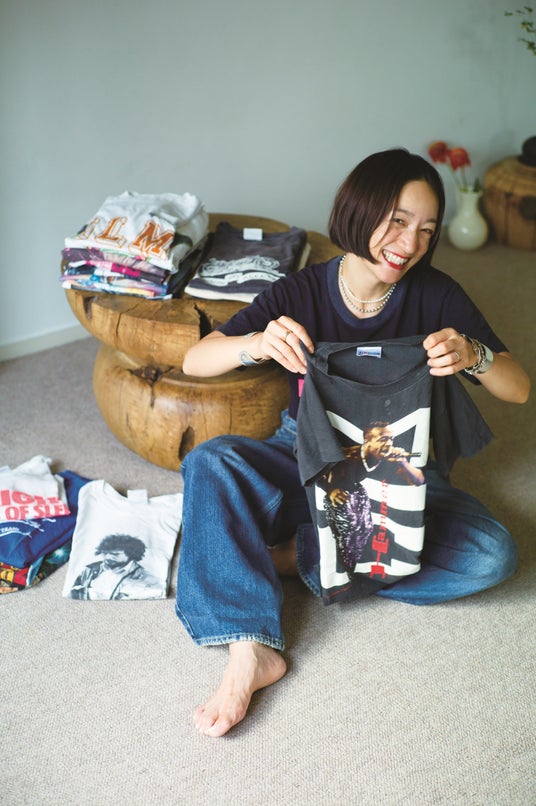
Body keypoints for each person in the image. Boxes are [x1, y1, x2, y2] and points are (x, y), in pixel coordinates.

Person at [175, 148, 530, 738]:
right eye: (397, 220)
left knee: (492, 556)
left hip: (402, 469)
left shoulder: (436, 294)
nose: (409, 243)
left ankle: (295, 555)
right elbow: (196, 359)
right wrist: (255, 344)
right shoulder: (302, 291)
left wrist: (475, 355)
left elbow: (518, 389)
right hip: (305, 451)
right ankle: (250, 649)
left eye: (426, 230)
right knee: (211, 462)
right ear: (358, 211)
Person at [70, 534, 162, 600]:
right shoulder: (90, 569)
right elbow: (72, 590)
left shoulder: (147, 578)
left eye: (115, 554)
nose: (108, 557)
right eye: (105, 553)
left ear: (131, 553)